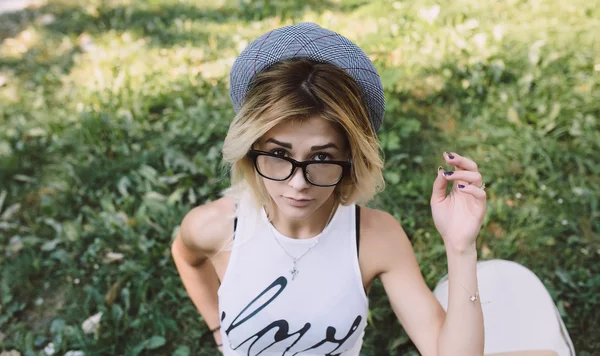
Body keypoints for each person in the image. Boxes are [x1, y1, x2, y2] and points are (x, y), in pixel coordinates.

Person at [170, 22, 575, 356]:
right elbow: (187, 258)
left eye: (323, 158)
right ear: (250, 150)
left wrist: (460, 247)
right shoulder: (217, 228)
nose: (298, 182)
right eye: (278, 153)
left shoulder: (375, 238)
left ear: (350, 161)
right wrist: (219, 332)